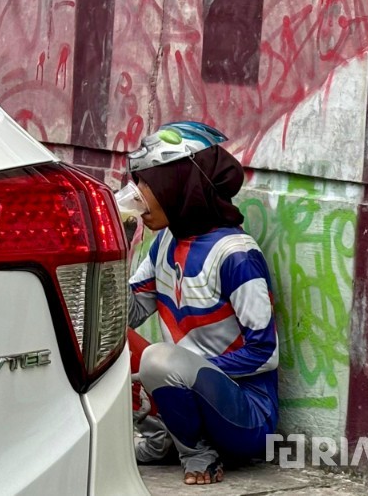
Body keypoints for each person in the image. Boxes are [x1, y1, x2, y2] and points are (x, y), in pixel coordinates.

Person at [119, 121, 279, 485]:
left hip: (246, 417)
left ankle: (199, 455)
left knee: (159, 359)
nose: (138, 195)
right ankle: (163, 440)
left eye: (146, 183)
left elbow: (265, 354)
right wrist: (117, 245)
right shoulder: (165, 244)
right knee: (96, 330)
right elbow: (125, 315)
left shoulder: (237, 256)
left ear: (179, 184)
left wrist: (186, 370)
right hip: (185, 391)